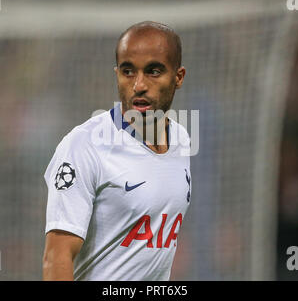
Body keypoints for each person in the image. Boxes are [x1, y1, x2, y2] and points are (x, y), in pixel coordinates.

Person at [42, 21, 191, 280]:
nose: (139, 85)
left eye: (153, 71)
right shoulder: (84, 146)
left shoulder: (181, 139)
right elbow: (57, 257)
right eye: (128, 71)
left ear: (178, 77)